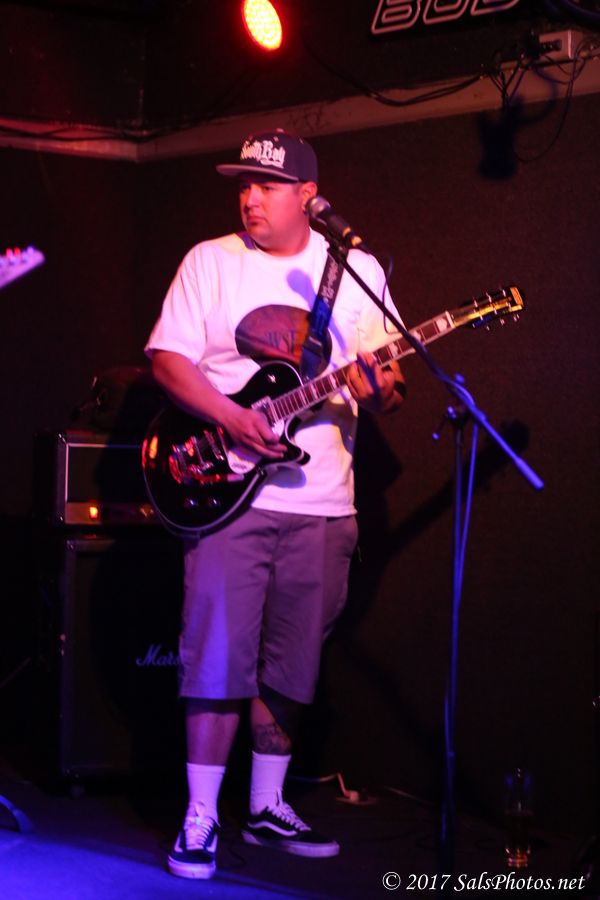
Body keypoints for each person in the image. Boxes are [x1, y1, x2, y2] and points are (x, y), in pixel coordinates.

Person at [145, 129, 405, 880]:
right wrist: (231, 419)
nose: (249, 198)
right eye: (243, 185)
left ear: (307, 197)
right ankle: (201, 816)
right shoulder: (211, 261)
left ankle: (265, 806)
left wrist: (377, 390)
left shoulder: (356, 272)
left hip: (324, 503)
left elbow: (392, 387)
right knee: (216, 657)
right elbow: (166, 360)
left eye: (265, 185)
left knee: (294, 662)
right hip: (228, 494)